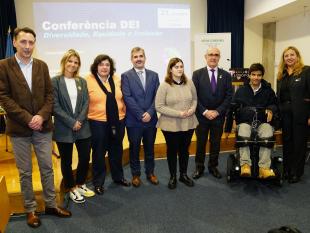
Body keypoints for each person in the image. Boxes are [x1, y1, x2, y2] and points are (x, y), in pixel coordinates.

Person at [0, 27, 71, 228]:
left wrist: (40, 116)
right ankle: (30, 209)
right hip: (19, 128)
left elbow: (50, 95)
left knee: (47, 168)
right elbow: (4, 97)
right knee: (25, 172)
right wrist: (28, 118)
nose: (28, 46)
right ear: (14, 42)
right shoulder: (3, 66)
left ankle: (50, 205)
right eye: (23, 42)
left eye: (31, 42)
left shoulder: (41, 65)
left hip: (43, 127)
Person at [52, 49, 95, 203]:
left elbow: (86, 103)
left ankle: (81, 183)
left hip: (83, 127)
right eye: (70, 61)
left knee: (84, 157)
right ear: (64, 62)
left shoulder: (81, 81)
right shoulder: (55, 81)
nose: (73, 64)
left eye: (76, 62)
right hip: (64, 128)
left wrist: (79, 120)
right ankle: (71, 188)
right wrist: (72, 122)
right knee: (67, 161)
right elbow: (55, 106)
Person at [86, 54, 130, 195]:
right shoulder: (88, 80)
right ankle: (98, 182)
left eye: (107, 65)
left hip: (118, 121)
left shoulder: (117, 80)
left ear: (111, 67)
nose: (104, 67)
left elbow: (124, 98)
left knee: (116, 151)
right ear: (96, 66)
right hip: (97, 123)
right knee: (99, 153)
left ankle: (118, 177)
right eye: (101, 64)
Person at [225, 63, 278, 178]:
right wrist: (228, 128)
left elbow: (275, 104)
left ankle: (264, 168)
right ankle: (245, 165)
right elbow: (232, 108)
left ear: (262, 76)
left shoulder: (268, 91)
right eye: (253, 74)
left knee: (268, 130)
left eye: (259, 75)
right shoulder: (241, 91)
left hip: (262, 122)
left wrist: (271, 109)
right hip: (245, 122)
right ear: (249, 75)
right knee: (243, 129)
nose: (256, 77)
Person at [155, 57, 198, 189]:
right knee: (172, 151)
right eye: (176, 67)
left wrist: (192, 109)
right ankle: (173, 176)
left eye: (181, 66)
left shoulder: (189, 83)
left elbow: (195, 99)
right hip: (170, 124)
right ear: (170, 69)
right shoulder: (164, 86)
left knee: (184, 150)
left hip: (188, 123)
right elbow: (159, 106)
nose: (179, 69)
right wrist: (178, 113)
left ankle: (183, 175)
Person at [121, 47, 160, 187]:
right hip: (134, 121)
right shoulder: (125, 76)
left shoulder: (154, 75)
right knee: (134, 149)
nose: (138, 59)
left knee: (150, 148)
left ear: (145, 58)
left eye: (141, 56)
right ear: (131, 59)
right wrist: (140, 114)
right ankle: (136, 175)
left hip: (151, 120)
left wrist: (150, 112)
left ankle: (150, 173)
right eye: (135, 57)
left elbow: (158, 96)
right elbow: (127, 97)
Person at [192, 47, 233, 179]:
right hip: (201, 116)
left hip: (218, 117)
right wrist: (204, 111)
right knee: (201, 143)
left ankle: (213, 166)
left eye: (216, 55)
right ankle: (199, 167)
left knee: (216, 143)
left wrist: (217, 111)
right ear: (206, 56)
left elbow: (229, 96)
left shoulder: (226, 75)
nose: (213, 57)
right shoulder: (197, 74)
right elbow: (194, 96)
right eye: (211, 54)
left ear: (219, 57)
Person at [276, 46, 310, 183]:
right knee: (287, 143)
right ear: (283, 59)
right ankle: (287, 170)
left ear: (297, 56)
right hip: (285, 115)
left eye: (292, 55)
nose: (289, 57)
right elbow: (279, 96)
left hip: (301, 114)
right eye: (286, 55)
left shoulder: (306, 71)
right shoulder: (281, 75)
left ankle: (296, 172)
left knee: (299, 144)